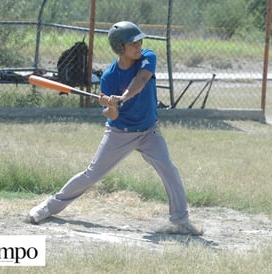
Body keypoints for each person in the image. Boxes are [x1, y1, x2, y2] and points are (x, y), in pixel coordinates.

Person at [28, 21, 203, 236]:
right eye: (133, 43)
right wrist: (111, 106)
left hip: (149, 130)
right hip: (120, 133)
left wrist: (123, 97)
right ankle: (49, 207)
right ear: (120, 48)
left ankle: (181, 221)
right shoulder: (109, 78)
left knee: (169, 169)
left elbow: (141, 79)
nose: (139, 45)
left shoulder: (148, 57)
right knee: (91, 174)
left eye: (140, 41)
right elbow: (112, 116)